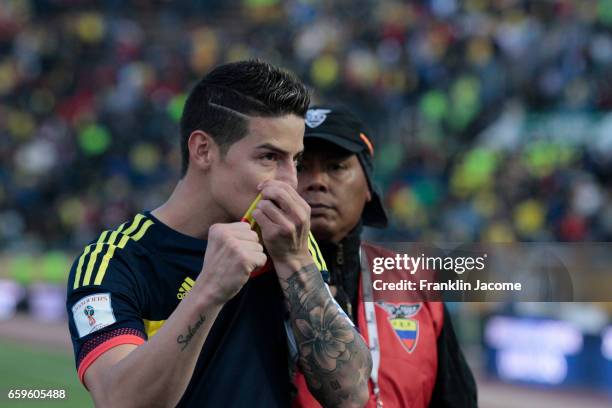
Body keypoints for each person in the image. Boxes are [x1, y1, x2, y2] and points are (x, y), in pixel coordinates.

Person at [65, 61, 372, 408]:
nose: (291, 181)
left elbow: (352, 393)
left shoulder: (288, 239)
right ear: (203, 150)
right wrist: (210, 288)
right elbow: (119, 400)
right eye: (270, 157)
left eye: (295, 161)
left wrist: (296, 261)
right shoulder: (114, 261)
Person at [293, 105, 478, 407]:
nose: (317, 181)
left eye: (336, 167)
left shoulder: (414, 283)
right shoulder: (250, 283)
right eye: (301, 167)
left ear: (368, 184)